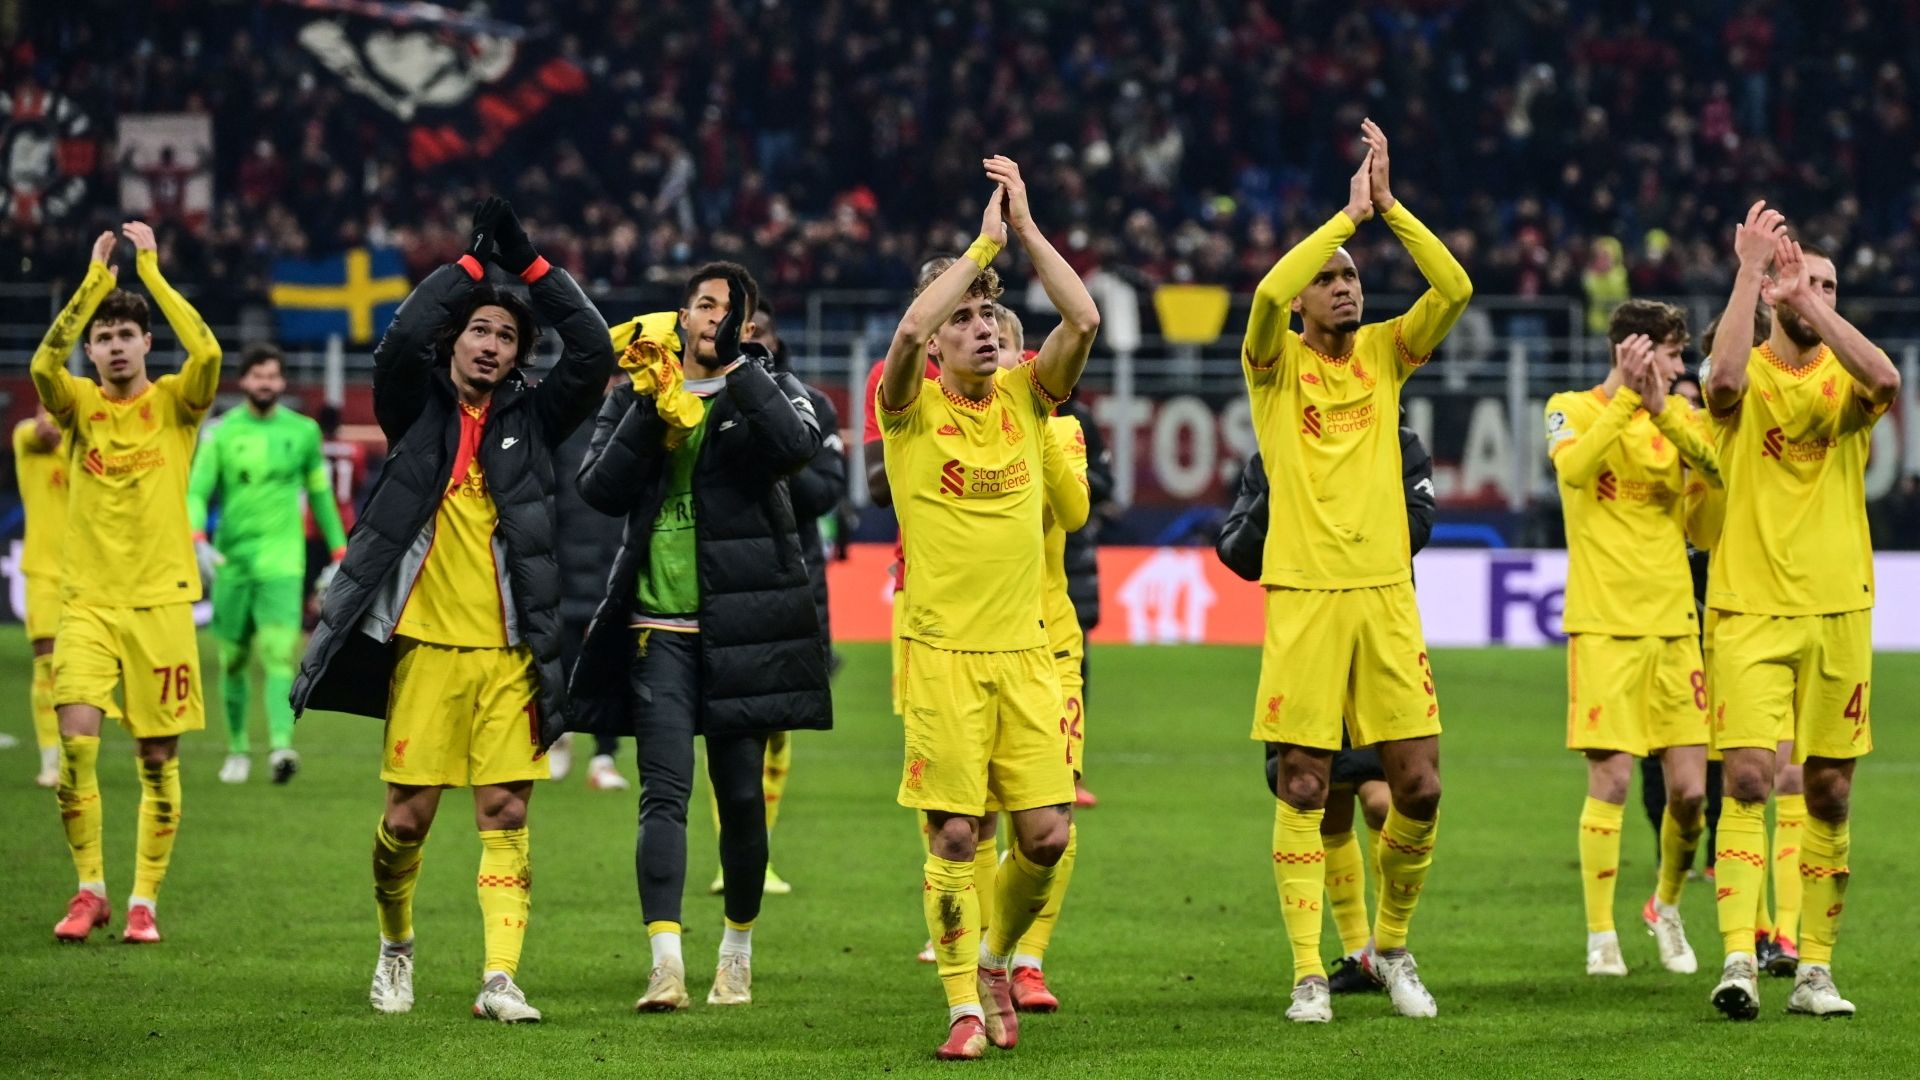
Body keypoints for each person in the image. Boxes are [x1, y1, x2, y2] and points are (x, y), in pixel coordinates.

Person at [291, 198, 614, 1023]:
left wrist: (533, 266)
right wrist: (470, 267)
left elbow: (592, 348)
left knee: (505, 812)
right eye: (480, 331)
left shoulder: (535, 422)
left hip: (511, 652)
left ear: (515, 358)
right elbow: (400, 339)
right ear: (458, 341)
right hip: (424, 647)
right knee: (407, 820)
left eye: (506, 338)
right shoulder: (415, 406)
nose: (492, 344)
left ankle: (500, 977)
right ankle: (395, 948)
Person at [1241, 120, 1470, 1024]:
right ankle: (1308, 970)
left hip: (1385, 597)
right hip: (1302, 598)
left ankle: (1394, 947)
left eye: (1352, 278)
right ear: (1306, 298)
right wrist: (1337, 223)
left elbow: (1453, 287)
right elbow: (1264, 291)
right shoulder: (1275, 366)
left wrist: (1389, 211)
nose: (1346, 288)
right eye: (1330, 280)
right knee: (1303, 781)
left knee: (1418, 783)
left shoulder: (1384, 355)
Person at [878, 155, 1099, 1060]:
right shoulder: (906, 409)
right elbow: (903, 332)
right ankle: (964, 1003)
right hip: (941, 655)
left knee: (1045, 837)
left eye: (985, 317)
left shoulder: (1025, 398)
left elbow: (1082, 318)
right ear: (939, 342)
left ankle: (1002, 956)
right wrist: (979, 247)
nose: (976, 330)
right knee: (956, 832)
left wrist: (1027, 229)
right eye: (961, 319)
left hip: (1027, 655)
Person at [573, 262, 828, 1013]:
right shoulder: (637, 391)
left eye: (732, 310)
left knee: (742, 798)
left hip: (742, 629)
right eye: (705, 303)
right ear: (681, 316)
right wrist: (653, 409)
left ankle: (736, 952)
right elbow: (598, 489)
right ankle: (665, 964)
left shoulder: (772, 388)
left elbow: (793, 452)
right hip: (659, 623)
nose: (715, 316)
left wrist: (740, 372)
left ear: (748, 328)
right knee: (662, 796)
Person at [1700, 204, 1899, 1019]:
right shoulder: (1746, 376)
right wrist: (1753, 273)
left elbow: (1886, 380)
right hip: (1749, 604)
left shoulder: (1845, 385)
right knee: (1748, 777)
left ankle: (1815, 969)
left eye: (1831, 286)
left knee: (1829, 792)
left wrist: (1809, 300)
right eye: (1808, 281)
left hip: (1838, 606)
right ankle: (1740, 958)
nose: (1819, 293)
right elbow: (1719, 385)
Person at [33, 222, 221, 945]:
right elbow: (43, 363)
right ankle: (90, 891)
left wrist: (151, 272)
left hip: (163, 604)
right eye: (104, 337)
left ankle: (144, 898)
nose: (114, 345)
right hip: (87, 602)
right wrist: (93, 284)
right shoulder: (76, 406)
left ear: (146, 345)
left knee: (155, 758)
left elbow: (207, 349)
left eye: (125, 335)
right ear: (93, 349)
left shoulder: (177, 403)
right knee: (75, 745)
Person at [1218, 421, 1437, 996]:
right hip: (1310, 634)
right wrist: (1286, 493)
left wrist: (1332, 509)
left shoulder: (1400, 443)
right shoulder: (1276, 447)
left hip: (1375, 634)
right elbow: (1237, 549)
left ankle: (1387, 943)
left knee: (1389, 795)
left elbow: (1417, 526)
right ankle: (1350, 953)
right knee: (1322, 798)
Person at [1543, 300, 1721, 979]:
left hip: (1677, 627)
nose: (1681, 370)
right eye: (1673, 356)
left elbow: (1717, 471)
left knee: (1690, 794)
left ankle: (1667, 908)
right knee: (1612, 781)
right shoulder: (1571, 407)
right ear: (1634, 351)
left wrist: (1664, 411)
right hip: (1605, 626)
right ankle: (1599, 935)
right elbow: (1575, 470)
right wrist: (1624, 402)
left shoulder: (1681, 421)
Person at [700, 301, 847, 896]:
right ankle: (732, 856)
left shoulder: (814, 404)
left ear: (770, 340)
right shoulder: (702, 400)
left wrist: (775, 451)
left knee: (779, 726)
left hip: (796, 574)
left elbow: (824, 492)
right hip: (725, 576)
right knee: (729, 725)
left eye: (752, 329)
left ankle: (762, 849)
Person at [985, 303, 1092, 1014]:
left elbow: (1073, 511)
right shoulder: (940, 425)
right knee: (971, 815)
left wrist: (1036, 426)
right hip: (967, 638)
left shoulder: (1062, 429)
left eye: (1014, 347)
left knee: (1052, 813)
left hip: (1049, 639)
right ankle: (973, 954)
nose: (997, 352)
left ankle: (1026, 960)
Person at [189, 343, 348, 785]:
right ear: (244, 381)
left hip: (282, 562)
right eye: (257, 375)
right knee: (234, 659)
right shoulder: (220, 433)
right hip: (231, 562)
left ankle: (281, 746)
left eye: (272, 376)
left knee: (280, 655)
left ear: (282, 382)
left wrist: (340, 553)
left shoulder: (303, 433)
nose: (265, 383)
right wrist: (197, 537)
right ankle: (237, 749)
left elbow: (321, 496)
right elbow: (197, 491)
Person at [549, 370, 632, 792]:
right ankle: (559, 732)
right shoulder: (566, 428)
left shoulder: (640, 426)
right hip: (567, 565)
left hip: (618, 563)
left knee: (611, 663)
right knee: (561, 656)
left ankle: (603, 756)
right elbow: (551, 496)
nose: (616, 382)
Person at [13, 407, 72, 788]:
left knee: (83, 672)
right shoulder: (26, 439)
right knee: (46, 665)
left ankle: (77, 752)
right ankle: (51, 761)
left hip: (92, 575)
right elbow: (33, 433)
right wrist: (49, 430)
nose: (50, 420)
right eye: (44, 410)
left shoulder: (90, 447)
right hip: (44, 574)